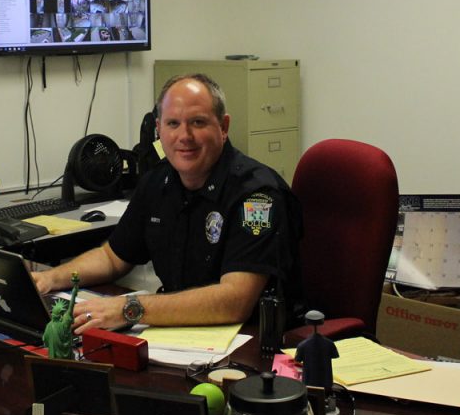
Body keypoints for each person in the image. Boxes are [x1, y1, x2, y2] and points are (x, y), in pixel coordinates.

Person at [32, 74, 302, 334]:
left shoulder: (257, 195)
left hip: (250, 342)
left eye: (198, 122)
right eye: (173, 124)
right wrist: (50, 279)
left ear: (223, 127)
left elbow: (235, 301)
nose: (184, 136)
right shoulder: (158, 182)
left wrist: (129, 308)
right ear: (159, 129)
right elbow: (112, 258)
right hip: (179, 332)